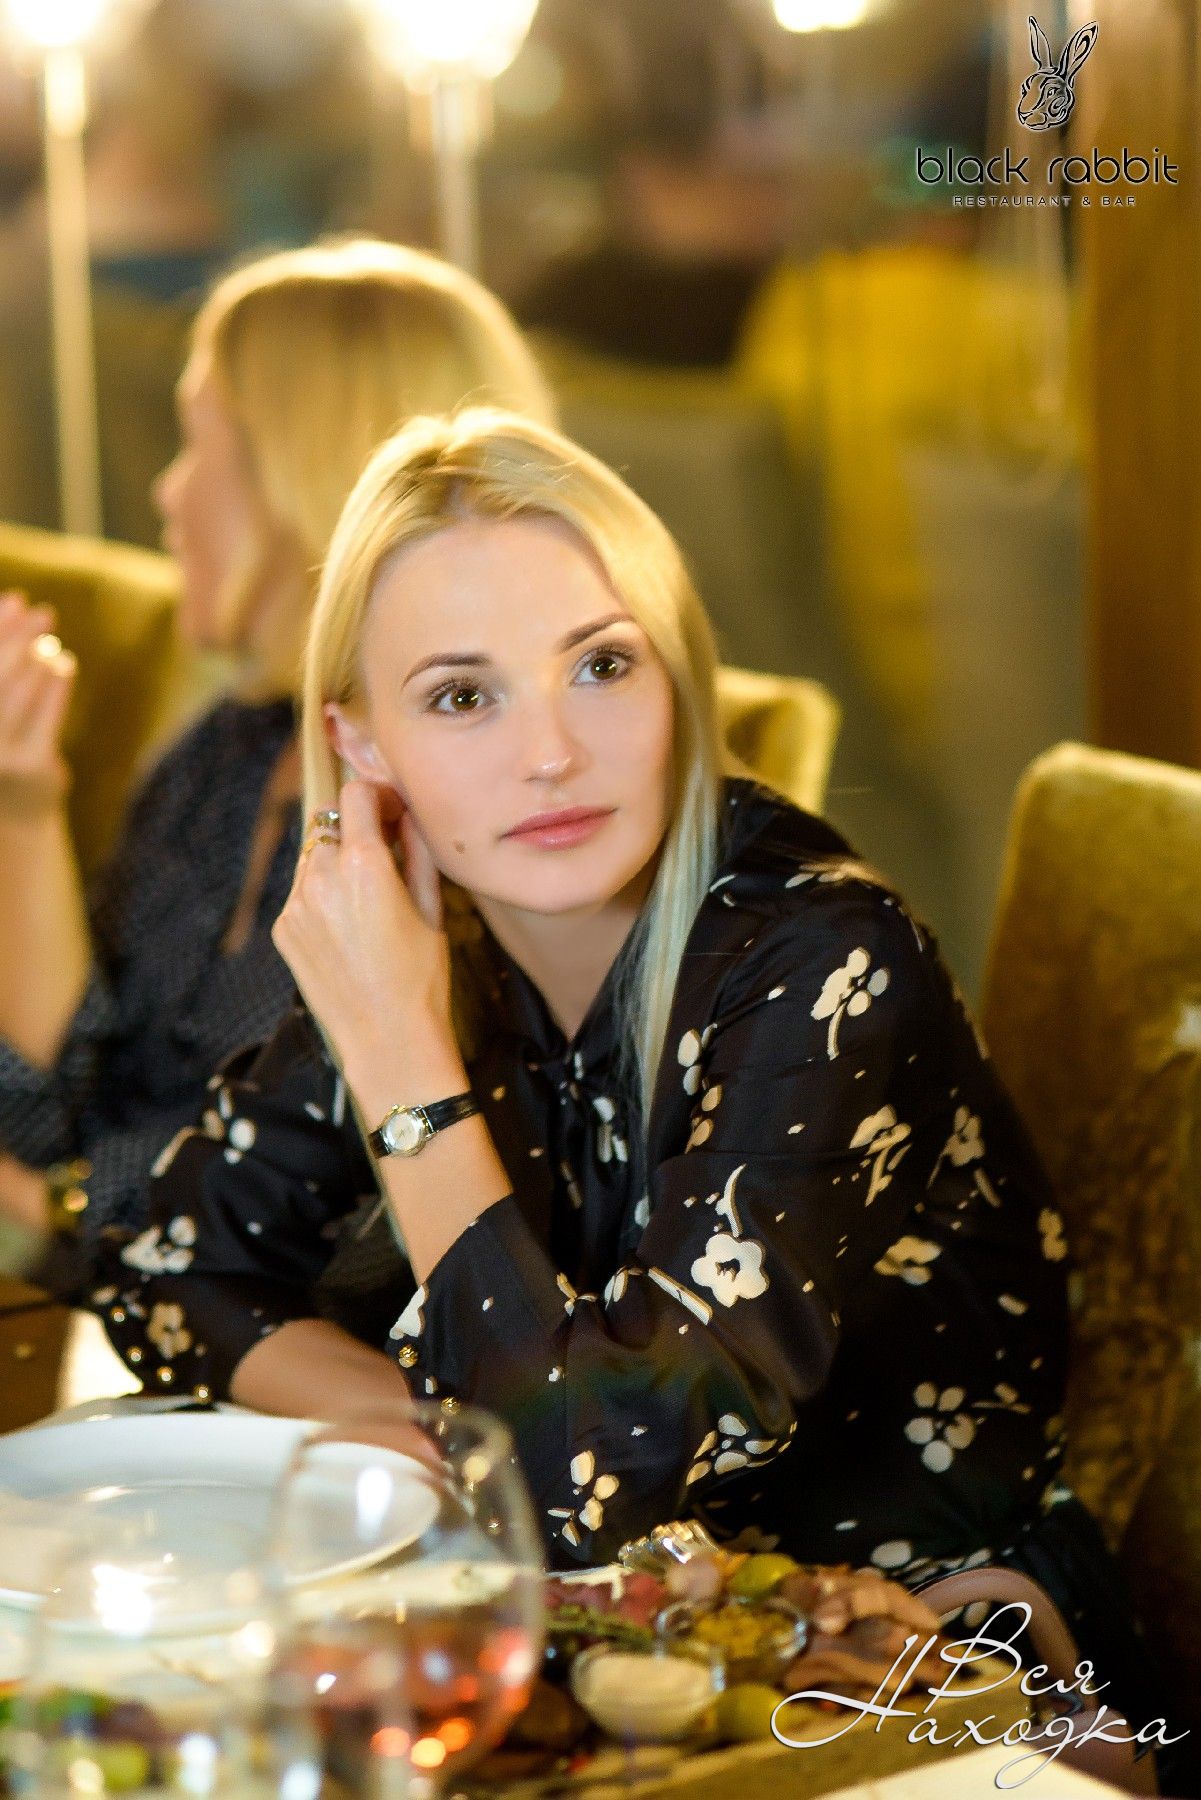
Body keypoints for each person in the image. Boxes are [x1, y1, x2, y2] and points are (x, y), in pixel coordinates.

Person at [98, 409, 1143, 1712]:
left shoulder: (827, 963)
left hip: (921, 1671)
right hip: (622, 1652)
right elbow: (165, 1264)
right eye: (462, 696)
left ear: (679, 681)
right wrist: (448, 1437)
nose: (549, 754)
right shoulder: (434, 932)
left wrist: (406, 1073)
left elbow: (575, 1486)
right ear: (362, 745)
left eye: (600, 666)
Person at [0, 244, 555, 1280]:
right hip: (117, 1313)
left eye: (194, 443)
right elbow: (52, 1114)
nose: (166, 492)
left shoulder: (459, 816)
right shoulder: (229, 750)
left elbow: (334, 1239)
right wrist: (24, 810)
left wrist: (41, 1214)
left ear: (296, 475)